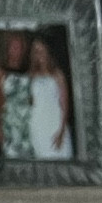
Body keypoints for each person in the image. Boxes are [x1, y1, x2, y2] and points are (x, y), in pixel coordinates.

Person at [25, 31, 74, 159]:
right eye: (35, 51)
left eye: (41, 50)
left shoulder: (57, 74)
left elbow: (65, 104)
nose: (39, 54)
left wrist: (62, 131)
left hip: (55, 124)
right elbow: (27, 102)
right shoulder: (30, 75)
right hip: (37, 125)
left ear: (47, 51)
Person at [0, 31, 34, 159]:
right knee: (12, 156)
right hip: (9, 121)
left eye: (19, 46)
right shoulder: (1, 70)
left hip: (27, 120)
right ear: (8, 48)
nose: (16, 50)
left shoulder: (29, 69)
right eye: (13, 46)